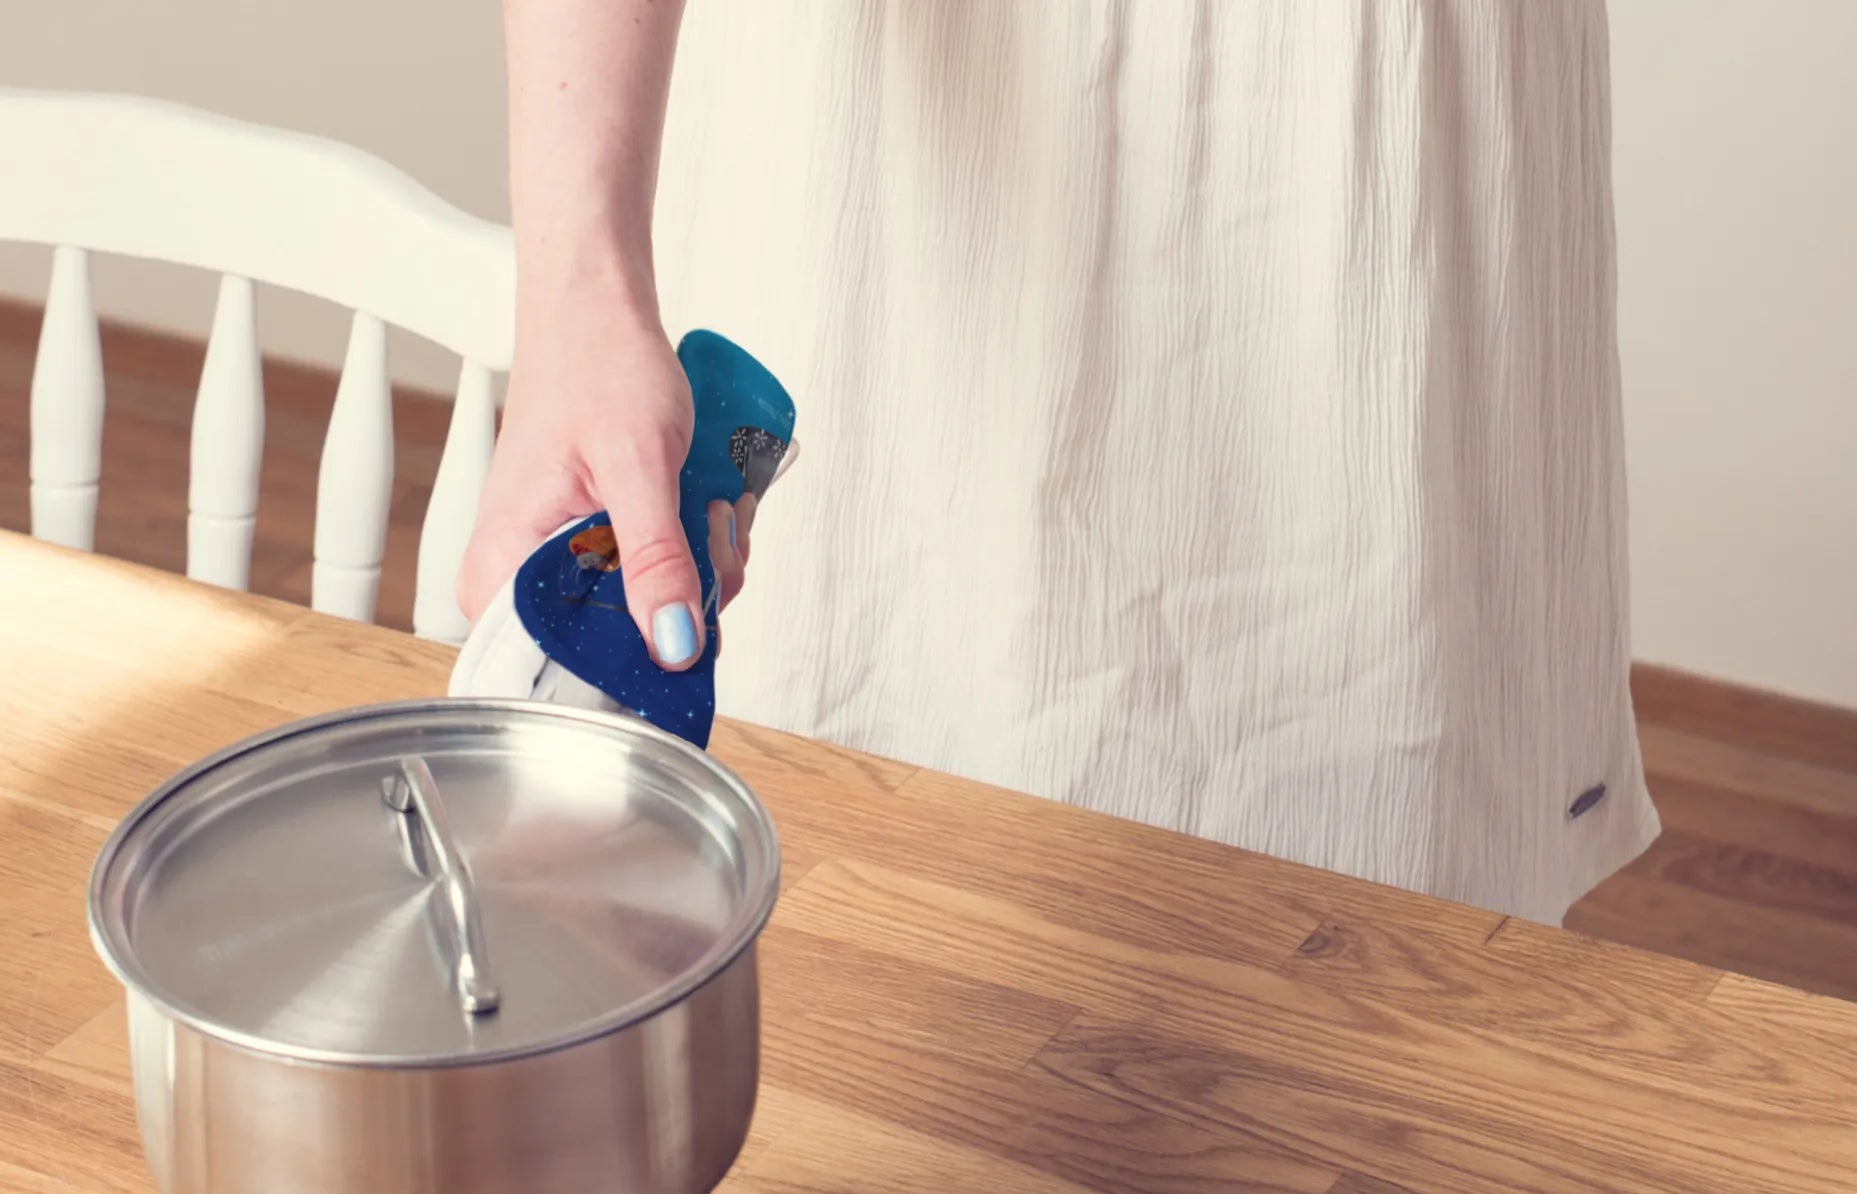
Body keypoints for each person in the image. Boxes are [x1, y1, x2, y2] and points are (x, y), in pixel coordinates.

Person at [461, 1, 1658, 924]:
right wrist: (575, 301)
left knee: (1381, 948)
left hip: (1369, 143)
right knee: (814, 907)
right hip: (891, 156)